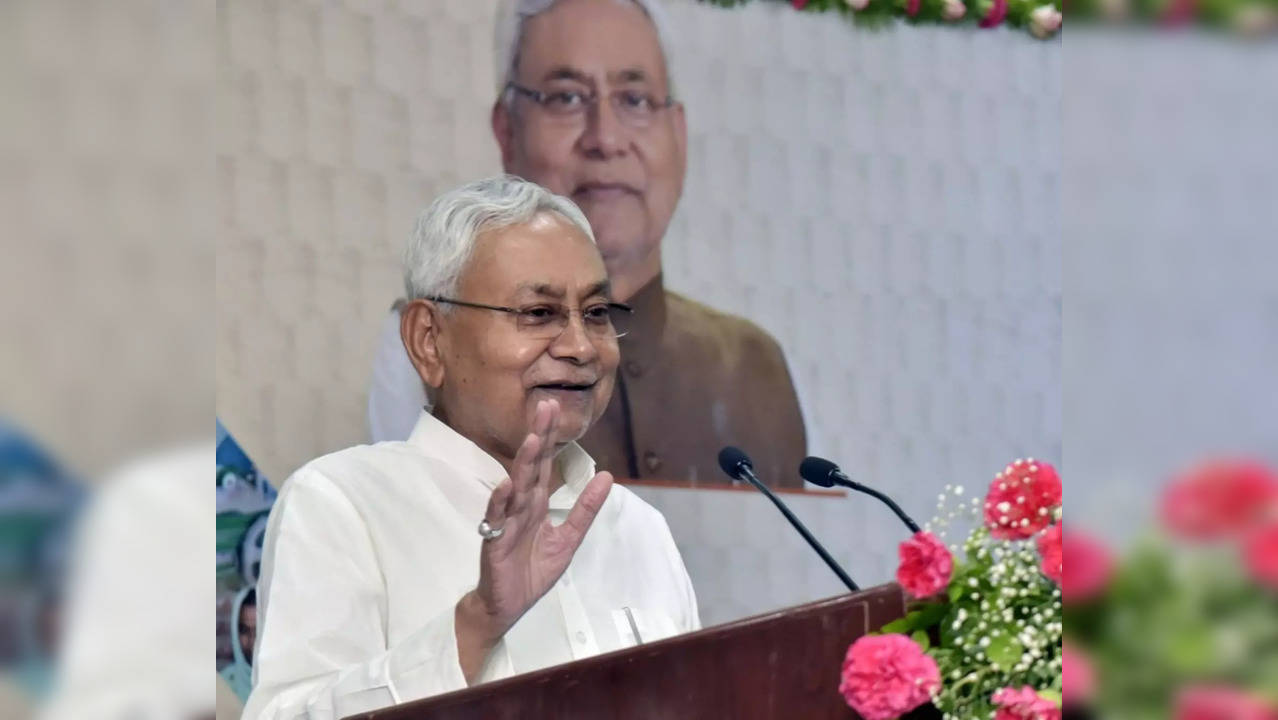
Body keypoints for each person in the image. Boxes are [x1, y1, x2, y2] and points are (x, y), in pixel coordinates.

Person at [243, 177, 699, 719]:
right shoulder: (341, 505)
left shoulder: (638, 528)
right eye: (539, 313)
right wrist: (478, 622)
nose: (580, 347)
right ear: (428, 340)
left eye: (596, 313)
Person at [367, 0, 807, 487]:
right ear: (507, 129)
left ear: (678, 134)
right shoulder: (443, 337)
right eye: (566, 99)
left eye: (634, 100)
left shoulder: (751, 363)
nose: (606, 138)